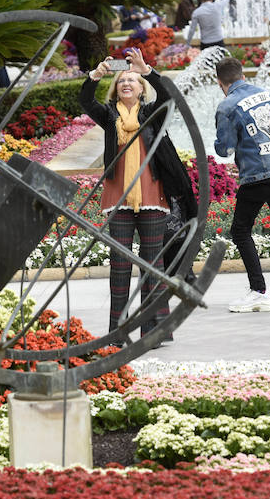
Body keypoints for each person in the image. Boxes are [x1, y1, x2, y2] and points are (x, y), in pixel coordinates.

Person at [79, 47, 192, 344]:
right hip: (118, 198)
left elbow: (169, 96)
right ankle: (117, 333)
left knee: (152, 265)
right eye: (121, 80)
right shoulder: (108, 116)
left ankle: (153, 331)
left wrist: (147, 71)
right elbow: (85, 101)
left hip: (152, 194)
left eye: (132, 80)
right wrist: (95, 76)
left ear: (141, 88)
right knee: (119, 266)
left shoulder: (152, 113)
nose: (126, 83)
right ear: (115, 89)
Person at [214, 57, 270, 312]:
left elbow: (224, 148)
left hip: (257, 174)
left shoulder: (227, 105)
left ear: (219, 82)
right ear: (243, 75)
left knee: (240, 230)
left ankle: (259, 291)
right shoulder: (267, 93)